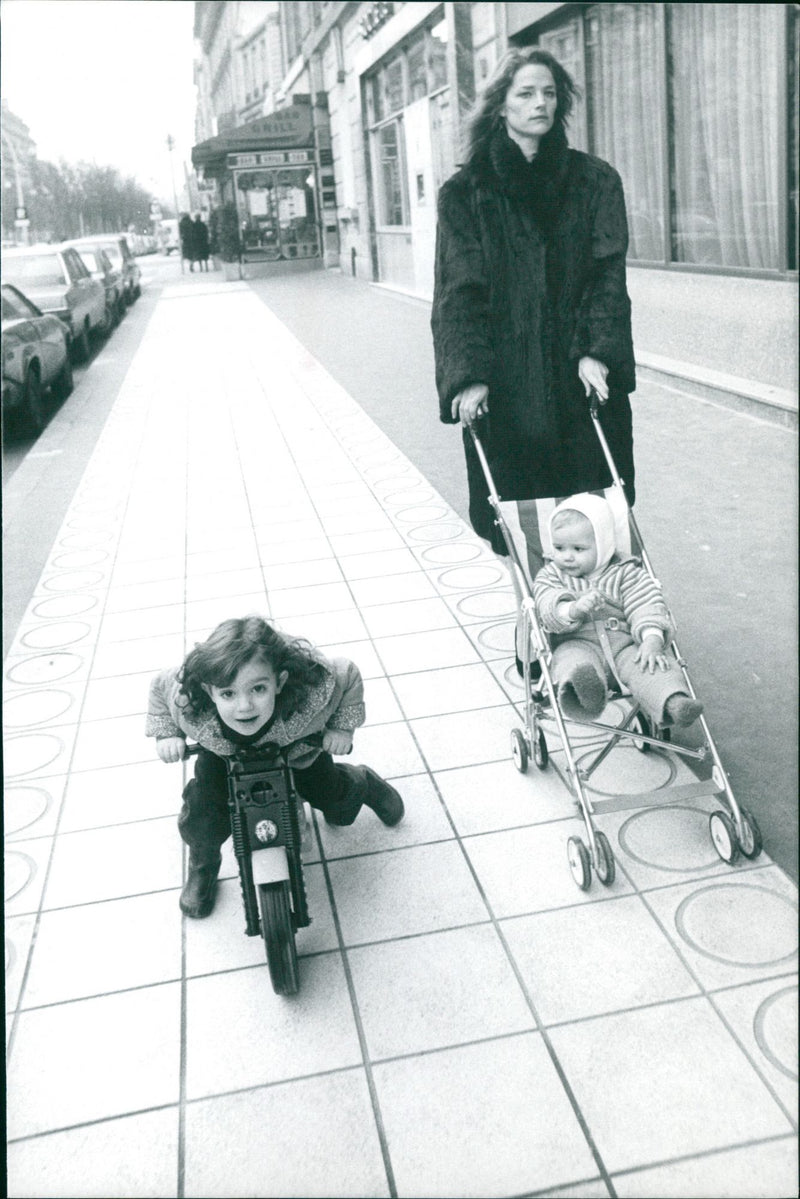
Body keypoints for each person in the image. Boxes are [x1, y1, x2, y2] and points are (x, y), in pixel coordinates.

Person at [431, 47, 637, 558]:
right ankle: (531, 617)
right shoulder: (465, 193)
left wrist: (597, 351)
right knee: (515, 516)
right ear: (501, 104)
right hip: (507, 388)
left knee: (593, 510)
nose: (539, 103)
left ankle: (602, 614)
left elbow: (607, 275)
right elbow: (458, 292)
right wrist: (468, 374)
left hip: (577, 381)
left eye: (549, 93)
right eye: (525, 93)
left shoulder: (595, 182)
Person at [145, 616, 405, 918]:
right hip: (223, 757)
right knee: (204, 813)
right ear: (208, 690)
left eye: (257, 689)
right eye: (228, 693)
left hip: (297, 750)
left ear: (279, 682)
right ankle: (203, 863)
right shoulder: (190, 704)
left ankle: (363, 782)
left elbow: (346, 675)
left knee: (333, 797)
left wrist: (341, 730)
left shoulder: (309, 695)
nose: (244, 707)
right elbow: (160, 686)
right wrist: (168, 735)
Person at [533, 493, 703, 728]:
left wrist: (651, 639)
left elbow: (646, 604)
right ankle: (585, 695)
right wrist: (571, 609)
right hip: (576, 642)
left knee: (652, 664)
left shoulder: (626, 571)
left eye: (578, 549)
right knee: (572, 664)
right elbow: (546, 604)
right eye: (559, 548)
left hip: (625, 643)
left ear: (603, 544)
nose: (567, 556)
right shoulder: (551, 574)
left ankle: (674, 702)